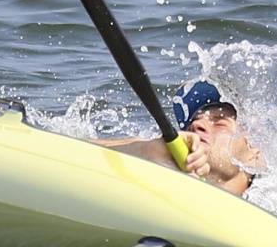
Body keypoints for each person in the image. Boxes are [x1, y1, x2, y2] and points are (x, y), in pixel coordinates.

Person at [95, 80, 262, 196]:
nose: (197, 126)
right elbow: (75, 148)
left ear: (254, 151)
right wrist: (145, 150)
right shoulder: (157, 178)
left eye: (219, 122)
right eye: (194, 121)